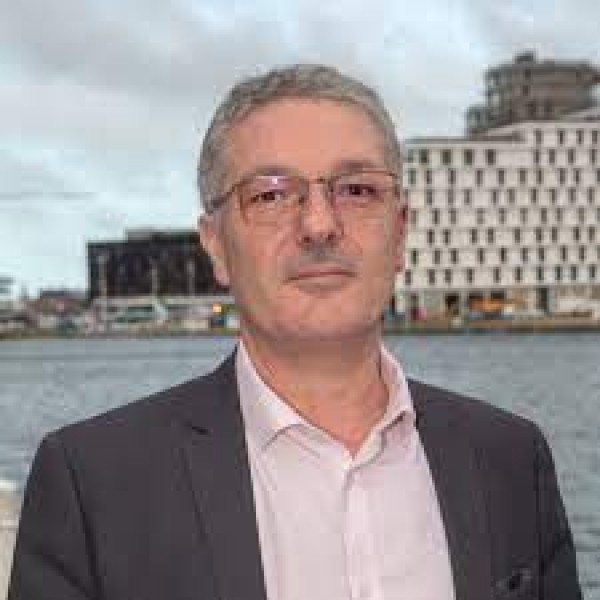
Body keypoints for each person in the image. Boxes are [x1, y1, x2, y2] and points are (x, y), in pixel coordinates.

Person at [9, 65, 581, 600]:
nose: (319, 225)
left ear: (401, 230)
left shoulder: (509, 459)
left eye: (356, 190)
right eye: (271, 195)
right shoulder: (94, 483)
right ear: (215, 244)